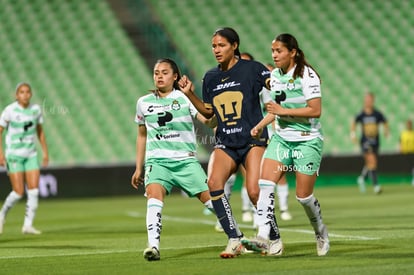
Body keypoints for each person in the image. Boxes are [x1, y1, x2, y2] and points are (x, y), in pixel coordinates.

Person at [179, 27, 272, 258]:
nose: (216, 50)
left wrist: (284, 80)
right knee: (213, 183)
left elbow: (275, 85)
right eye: (213, 46)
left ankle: (270, 237)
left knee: (253, 192)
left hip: (253, 139)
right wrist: (190, 94)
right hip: (226, 141)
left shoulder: (252, 68)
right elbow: (209, 113)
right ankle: (234, 238)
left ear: (234, 45)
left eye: (221, 45)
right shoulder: (210, 77)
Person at [242, 33, 329, 256]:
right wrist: (260, 125)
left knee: (304, 197)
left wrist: (283, 111)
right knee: (265, 184)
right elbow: (275, 110)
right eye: (273, 51)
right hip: (281, 138)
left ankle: (320, 231)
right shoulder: (275, 76)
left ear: (293, 52)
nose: (274, 55)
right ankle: (263, 236)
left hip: (307, 140)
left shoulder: (307, 75)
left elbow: (315, 110)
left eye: (279, 51)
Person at [131, 58, 215, 261]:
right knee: (154, 197)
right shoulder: (143, 103)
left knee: (213, 202)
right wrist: (138, 167)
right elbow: (142, 135)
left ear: (175, 76)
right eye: (156, 72)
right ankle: (153, 246)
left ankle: (237, 236)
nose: (159, 76)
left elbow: (208, 121)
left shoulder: (184, 98)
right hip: (157, 161)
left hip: (186, 161)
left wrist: (213, 113)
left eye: (164, 72)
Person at [0, 82, 49, 235]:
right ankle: (1, 215)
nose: (25, 94)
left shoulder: (35, 110)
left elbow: (40, 132)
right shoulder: (9, 111)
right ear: (16, 95)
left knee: (34, 190)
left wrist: (45, 152)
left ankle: (27, 225)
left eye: (28, 91)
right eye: (22, 92)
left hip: (31, 154)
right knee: (19, 191)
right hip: (14, 155)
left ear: (31, 94)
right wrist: (0, 153)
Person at [351, 92, 389, 194]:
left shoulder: (377, 113)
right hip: (365, 142)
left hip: (376, 142)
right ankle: (376, 185)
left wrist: (386, 130)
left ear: (372, 101)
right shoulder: (361, 114)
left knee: (370, 163)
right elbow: (354, 122)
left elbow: (385, 121)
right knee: (372, 161)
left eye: (370, 100)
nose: (368, 102)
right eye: (367, 99)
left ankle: (362, 178)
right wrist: (353, 134)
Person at [399, 119, 414, 185]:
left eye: (410, 124)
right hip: (405, 152)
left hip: (413, 152)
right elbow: (400, 142)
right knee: (408, 167)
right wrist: (401, 149)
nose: (409, 125)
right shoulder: (403, 133)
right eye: (408, 124)